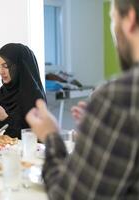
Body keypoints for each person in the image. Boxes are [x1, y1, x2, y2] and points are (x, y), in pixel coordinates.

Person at [26, 0, 139, 199]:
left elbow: (70, 195)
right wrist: (100, 125)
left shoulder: (120, 96)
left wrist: (51, 136)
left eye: (113, 21)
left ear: (129, 19)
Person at [0, 43, 46, 138]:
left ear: (20, 66)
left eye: (6, 66)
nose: (0, 72)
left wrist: (5, 119)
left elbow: (36, 138)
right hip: (1, 152)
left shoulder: (35, 97)